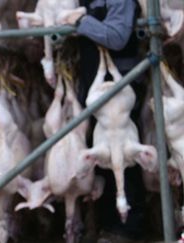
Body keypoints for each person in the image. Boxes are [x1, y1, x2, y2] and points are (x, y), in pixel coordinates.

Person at [60, 0, 147, 242]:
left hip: (120, 89)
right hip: (96, 86)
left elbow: (118, 37)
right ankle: (108, 225)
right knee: (102, 155)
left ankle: (127, 228)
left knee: (125, 155)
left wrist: (80, 21)